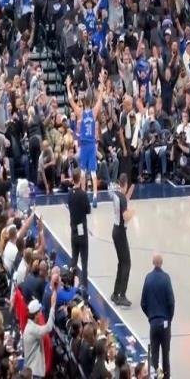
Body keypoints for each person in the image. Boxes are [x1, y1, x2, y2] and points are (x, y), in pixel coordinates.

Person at [66, 70, 106, 208]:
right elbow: (100, 98)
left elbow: (70, 100)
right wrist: (102, 83)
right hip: (91, 146)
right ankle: (94, 196)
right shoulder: (94, 112)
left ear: (83, 102)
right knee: (93, 173)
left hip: (84, 146)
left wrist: (68, 87)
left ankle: (83, 195)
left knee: (83, 172)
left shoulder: (80, 113)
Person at [140, 254, 175, 379]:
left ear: (153, 262)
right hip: (165, 322)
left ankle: (155, 375)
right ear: (162, 262)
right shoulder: (166, 278)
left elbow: (143, 303)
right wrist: (169, 319)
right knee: (166, 355)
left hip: (154, 323)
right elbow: (171, 302)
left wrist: (150, 316)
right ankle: (166, 376)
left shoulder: (148, 278)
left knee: (154, 354)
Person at [23, 278, 58, 378]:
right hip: (34, 373)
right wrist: (52, 307)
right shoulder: (32, 330)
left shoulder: (30, 326)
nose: (41, 313)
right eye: (39, 312)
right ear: (36, 314)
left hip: (33, 371)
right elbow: (48, 327)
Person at [111, 173, 134, 307]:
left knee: (121, 263)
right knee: (127, 263)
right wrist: (132, 213)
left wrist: (129, 195)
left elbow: (123, 202)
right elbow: (125, 216)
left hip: (115, 230)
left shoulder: (117, 194)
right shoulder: (122, 199)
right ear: (125, 184)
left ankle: (116, 293)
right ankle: (122, 295)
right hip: (120, 232)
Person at [67, 168, 91, 292]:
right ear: (80, 179)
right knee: (84, 261)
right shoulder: (83, 194)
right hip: (81, 230)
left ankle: (70, 282)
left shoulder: (70, 194)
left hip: (73, 229)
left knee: (74, 258)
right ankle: (84, 287)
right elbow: (88, 210)